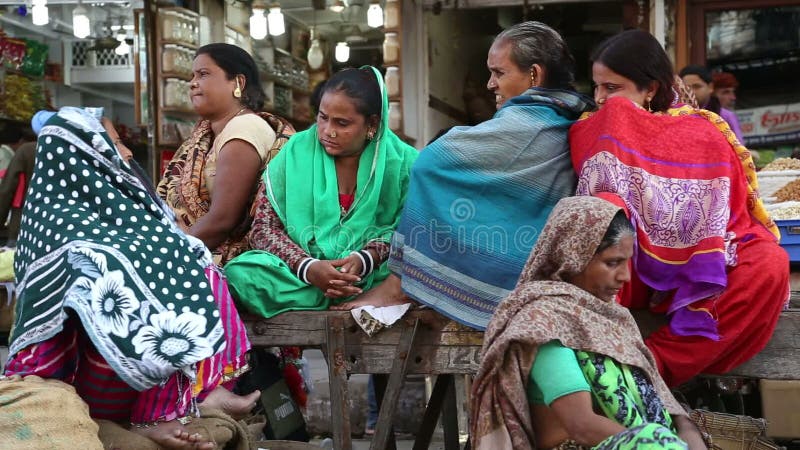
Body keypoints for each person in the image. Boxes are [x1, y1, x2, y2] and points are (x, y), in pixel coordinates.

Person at [4, 107, 258, 450]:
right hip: (84, 379)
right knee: (169, 281)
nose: (125, 152)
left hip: (123, 381)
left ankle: (198, 395)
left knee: (199, 265)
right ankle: (158, 415)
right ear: (86, 152)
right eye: (115, 142)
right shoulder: (60, 224)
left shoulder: (113, 213)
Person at [570, 30, 789, 387]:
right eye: (596, 87)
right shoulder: (594, 125)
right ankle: (601, 356)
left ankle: (649, 369)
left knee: (769, 263)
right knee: (604, 214)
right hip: (632, 268)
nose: (600, 99)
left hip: (700, 267)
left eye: (612, 88)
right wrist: (621, 116)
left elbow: (733, 214)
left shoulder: (703, 128)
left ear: (651, 89)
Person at [346, 21, 594, 329]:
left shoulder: (527, 121)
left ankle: (399, 286)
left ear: (534, 75)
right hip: (543, 276)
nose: (490, 84)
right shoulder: (573, 116)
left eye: (499, 73)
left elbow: (431, 163)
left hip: (515, 275)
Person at [470, 196, 707, 450]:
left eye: (626, 262)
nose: (625, 276)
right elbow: (581, 426)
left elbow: (667, 407)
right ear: (573, 258)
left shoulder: (615, 319)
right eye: (612, 263)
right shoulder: (544, 324)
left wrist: (687, 434)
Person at [223, 66, 418, 317]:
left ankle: (366, 295)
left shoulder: (403, 163)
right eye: (323, 117)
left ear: (372, 124)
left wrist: (365, 259)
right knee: (242, 274)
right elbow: (263, 229)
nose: (328, 131)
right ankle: (328, 294)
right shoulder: (294, 152)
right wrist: (309, 267)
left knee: (415, 274)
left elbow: (411, 231)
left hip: (372, 278)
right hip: (301, 279)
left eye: (342, 123)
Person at [157, 43, 293, 266]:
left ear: (238, 82)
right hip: (197, 247)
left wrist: (166, 254)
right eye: (192, 76)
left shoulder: (245, 128)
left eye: (203, 74)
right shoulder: (208, 135)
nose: (192, 83)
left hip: (227, 260)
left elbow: (222, 220)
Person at [679, 65, 745, 144]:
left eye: (697, 87)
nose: (691, 92)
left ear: (710, 87)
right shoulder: (675, 115)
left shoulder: (725, 116)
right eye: (686, 88)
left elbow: (739, 149)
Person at [0, 128, 36, 247]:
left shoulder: (27, 150)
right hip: (56, 230)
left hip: (22, 224)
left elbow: (7, 189)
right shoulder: (71, 151)